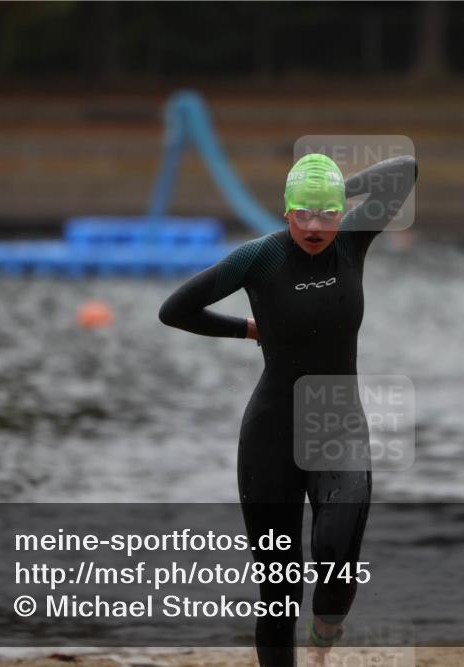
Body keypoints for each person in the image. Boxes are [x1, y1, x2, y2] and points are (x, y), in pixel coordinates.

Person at [159, 152, 417, 666]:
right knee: (278, 591)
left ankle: (325, 633)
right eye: (304, 213)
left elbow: (405, 169)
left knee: (337, 560)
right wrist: (246, 328)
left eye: (326, 212)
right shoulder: (259, 258)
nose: (315, 226)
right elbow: (175, 310)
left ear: (342, 212)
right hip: (270, 432)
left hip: (337, 423)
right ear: (286, 212)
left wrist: (344, 184)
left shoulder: (352, 244)